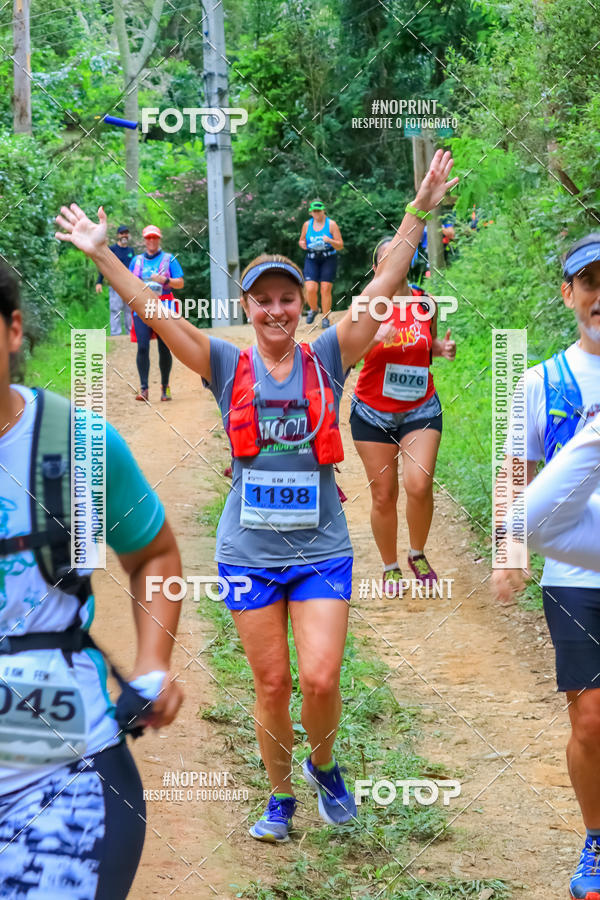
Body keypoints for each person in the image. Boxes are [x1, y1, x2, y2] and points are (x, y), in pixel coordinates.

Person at [55, 148, 458, 844]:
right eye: (263, 300)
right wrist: (104, 256)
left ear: (301, 304)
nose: (276, 310)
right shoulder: (224, 362)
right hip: (248, 554)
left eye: (287, 299)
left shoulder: (328, 355)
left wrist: (418, 210)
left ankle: (323, 766)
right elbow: (156, 312)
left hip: (321, 548)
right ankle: (279, 797)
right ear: (247, 307)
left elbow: (386, 280)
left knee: (321, 679)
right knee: (272, 685)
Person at [0, 260, 184, 897]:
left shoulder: (78, 447)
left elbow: (154, 556)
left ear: (13, 330)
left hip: (63, 788)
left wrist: (153, 665)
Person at [491, 233, 600, 900]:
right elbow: (515, 471)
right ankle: (598, 841)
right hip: (576, 574)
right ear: (568, 294)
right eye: (591, 283)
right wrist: (510, 554)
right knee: (590, 721)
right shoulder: (541, 382)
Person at [350, 236, 456, 593]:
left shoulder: (425, 302)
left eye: (402, 255)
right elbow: (346, 357)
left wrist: (442, 348)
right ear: (376, 267)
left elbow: (427, 348)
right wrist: (374, 338)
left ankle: (417, 553)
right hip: (373, 412)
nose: (396, 263)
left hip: (419, 408)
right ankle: (390, 566)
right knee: (384, 495)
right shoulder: (366, 307)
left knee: (419, 484)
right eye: (387, 258)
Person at [129, 225, 184, 402]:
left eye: (154, 237)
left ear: (159, 239)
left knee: (164, 347)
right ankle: (144, 389)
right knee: (142, 347)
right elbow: (128, 283)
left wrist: (165, 280)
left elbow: (180, 283)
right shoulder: (136, 261)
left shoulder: (169, 259)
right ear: (144, 240)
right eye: (148, 238)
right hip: (142, 307)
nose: (151, 240)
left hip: (164, 306)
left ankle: (165, 387)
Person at [298, 200, 343, 329]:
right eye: (315, 211)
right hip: (312, 258)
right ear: (311, 212)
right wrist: (302, 244)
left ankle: (325, 318)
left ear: (323, 211)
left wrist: (330, 240)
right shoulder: (307, 225)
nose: (317, 213)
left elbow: (340, 245)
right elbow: (301, 240)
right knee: (310, 288)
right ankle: (314, 309)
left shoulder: (331, 224)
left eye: (319, 211)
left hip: (328, 258)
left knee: (325, 288)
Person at [95, 224, 135, 336]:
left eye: (126, 233)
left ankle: (129, 334)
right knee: (115, 309)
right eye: (122, 233)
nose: (124, 235)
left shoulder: (131, 250)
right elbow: (104, 265)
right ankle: (115, 334)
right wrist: (99, 282)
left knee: (129, 310)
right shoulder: (112, 249)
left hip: (129, 285)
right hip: (115, 284)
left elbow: (134, 268)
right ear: (118, 235)